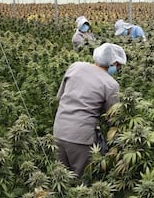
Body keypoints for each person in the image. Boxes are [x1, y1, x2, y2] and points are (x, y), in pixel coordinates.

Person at [53, 43, 127, 177]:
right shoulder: (111, 84)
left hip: (58, 131)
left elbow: (60, 97)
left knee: (61, 178)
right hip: (81, 138)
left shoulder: (75, 66)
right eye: (119, 66)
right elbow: (113, 118)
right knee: (81, 181)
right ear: (114, 63)